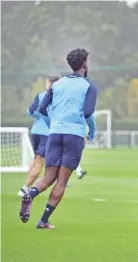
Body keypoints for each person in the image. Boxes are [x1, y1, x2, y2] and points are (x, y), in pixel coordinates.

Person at [19, 48, 97, 229]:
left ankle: (30, 194)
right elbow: (88, 112)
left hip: (54, 134)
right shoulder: (88, 86)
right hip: (74, 136)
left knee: (48, 177)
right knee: (61, 181)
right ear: (85, 64)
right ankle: (43, 220)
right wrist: (91, 131)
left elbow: (43, 108)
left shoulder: (57, 85)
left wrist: (53, 123)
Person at [18, 76, 88, 197]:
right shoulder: (61, 97)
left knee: (38, 160)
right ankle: (25, 188)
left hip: (36, 132)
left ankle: (61, 181)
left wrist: (40, 117)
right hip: (49, 133)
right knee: (41, 162)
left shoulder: (40, 96)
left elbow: (30, 111)